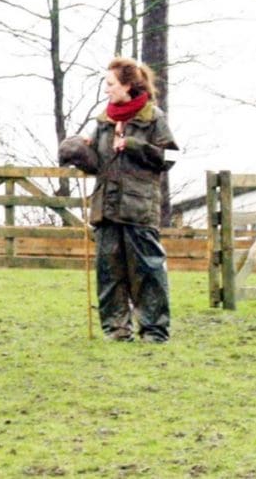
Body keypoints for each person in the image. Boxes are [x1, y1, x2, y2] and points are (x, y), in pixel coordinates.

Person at [58, 57, 178, 343]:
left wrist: (135, 146)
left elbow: (172, 157)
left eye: (110, 84)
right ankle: (116, 330)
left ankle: (155, 331)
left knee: (148, 272)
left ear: (127, 85)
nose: (106, 90)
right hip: (106, 211)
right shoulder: (103, 122)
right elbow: (97, 163)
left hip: (139, 210)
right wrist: (77, 151)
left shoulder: (153, 118)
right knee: (109, 275)